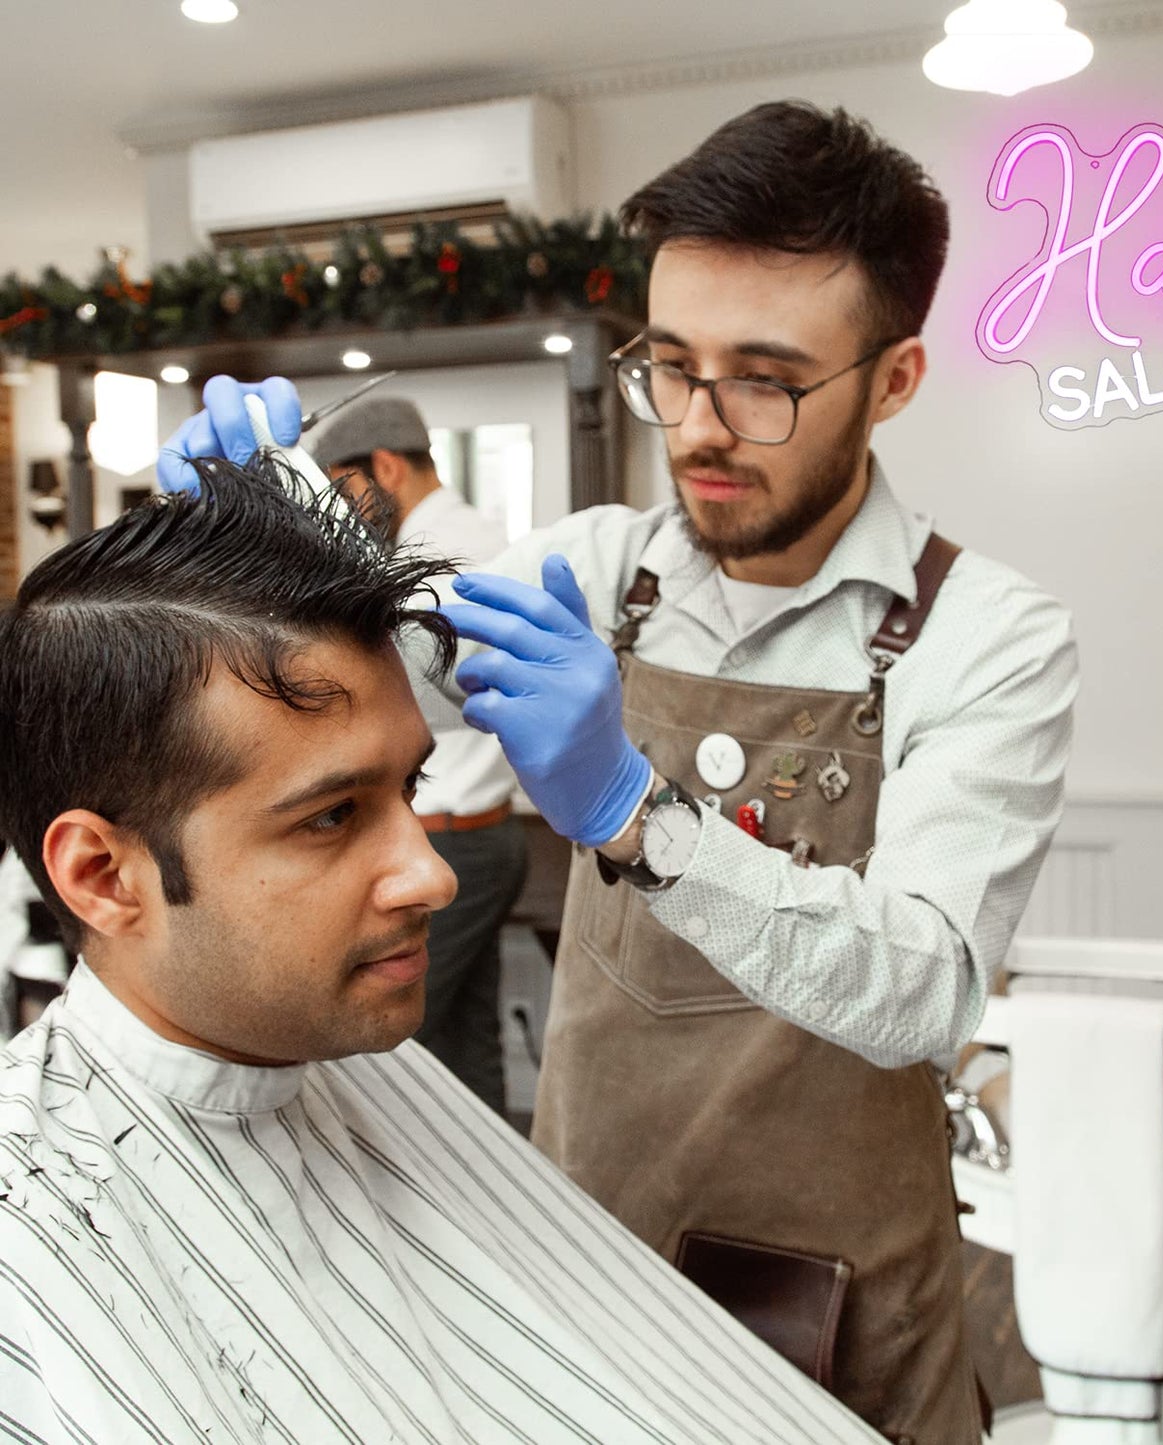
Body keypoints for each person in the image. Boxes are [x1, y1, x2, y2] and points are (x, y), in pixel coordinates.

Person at [161, 100, 1079, 1445]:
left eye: (764, 378)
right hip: (585, 1235)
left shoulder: (986, 635)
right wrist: (264, 522)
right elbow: (378, 659)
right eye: (672, 364)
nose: (699, 426)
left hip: (833, 1286)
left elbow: (927, 986)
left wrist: (639, 819)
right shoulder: (595, 570)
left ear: (893, 380)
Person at [0, 456, 887, 1445]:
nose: (430, 875)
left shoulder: (360, 1066)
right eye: (331, 815)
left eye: (408, 790)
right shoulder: (32, 1238)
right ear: (101, 874)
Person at [307, 395, 526, 1113]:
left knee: (386, 1066)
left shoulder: (439, 561)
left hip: (450, 838)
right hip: (483, 833)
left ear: (388, 466)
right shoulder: (483, 533)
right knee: (467, 1049)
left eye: (344, 489)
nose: (342, 512)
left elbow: (378, 707)